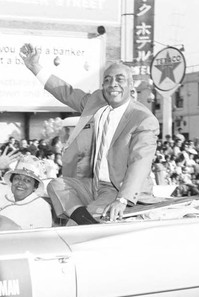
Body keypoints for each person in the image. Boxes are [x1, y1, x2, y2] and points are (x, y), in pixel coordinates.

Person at [19, 43, 160, 224]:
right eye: (107, 80)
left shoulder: (143, 118)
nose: (113, 84)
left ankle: (85, 225)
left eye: (120, 79)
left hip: (118, 189)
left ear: (131, 84)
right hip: (93, 185)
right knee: (57, 185)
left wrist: (122, 199)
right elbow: (65, 92)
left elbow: (140, 162)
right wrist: (34, 67)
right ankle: (88, 224)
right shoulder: (96, 101)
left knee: (74, 224)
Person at [0, 150, 52, 229]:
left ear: (35, 186)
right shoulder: (1, 190)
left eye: (27, 180)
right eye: (17, 178)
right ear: (11, 180)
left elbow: (40, 238)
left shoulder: (41, 207)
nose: (20, 183)